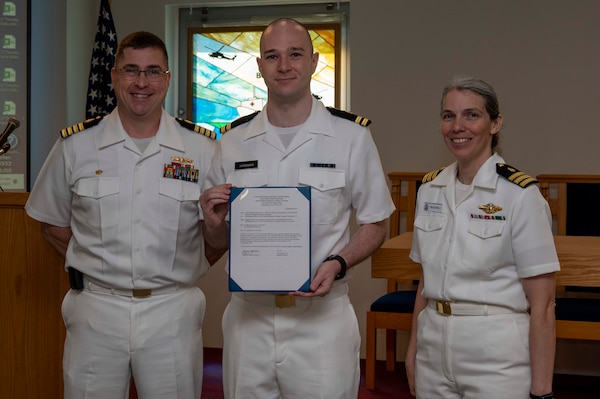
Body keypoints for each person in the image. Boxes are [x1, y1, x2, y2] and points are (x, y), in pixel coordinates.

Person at [200, 18, 395, 399]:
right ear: (259, 67)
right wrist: (211, 223)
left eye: (295, 54)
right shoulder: (233, 141)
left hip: (321, 322)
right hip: (248, 319)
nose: (284, 65)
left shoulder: (351, 137)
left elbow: (376, 223)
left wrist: (338, 263)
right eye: (272, 56)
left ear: (313, 62)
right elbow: (217, 237)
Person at [25, 31, 219, 399]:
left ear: (167, 79)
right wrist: (97, 263)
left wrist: (185, 266)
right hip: (96, 309)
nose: (141, 82)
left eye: (152, 71)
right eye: (131, 70)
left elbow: (217, 229)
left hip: (172, 309)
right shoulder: (76, 146)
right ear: (113, 75)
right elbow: (50, 223)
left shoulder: (202, 149)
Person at [405, 76, 560, 399]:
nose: (457, 126)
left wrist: (542, 391)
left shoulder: (520, 195)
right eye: (449, 116)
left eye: (471, 115)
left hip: (496, 356)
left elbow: (543, 304)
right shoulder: (430, 189)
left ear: (495, 123)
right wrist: (413, 351)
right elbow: (424, 282)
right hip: (433, 349)